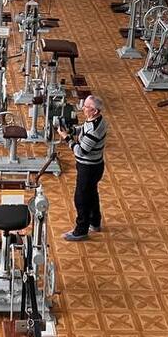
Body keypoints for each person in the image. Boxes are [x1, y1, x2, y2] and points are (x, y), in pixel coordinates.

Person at [57, 94, 108, 241]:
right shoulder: (96, 120)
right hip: (94, 166)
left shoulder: (95, 129)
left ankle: (81, 231)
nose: (82, 108)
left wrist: (66, 137)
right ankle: (94, 222)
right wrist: (73, 131)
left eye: (86, 107)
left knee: (81, 198)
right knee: (91, 194)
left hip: (89, 168)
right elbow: (84, 129)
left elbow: (81, 151)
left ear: (94, 111)